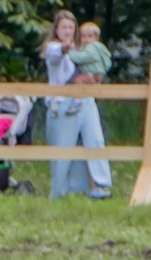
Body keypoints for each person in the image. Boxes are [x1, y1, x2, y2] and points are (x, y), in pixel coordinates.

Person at [44, 15, 115, 200]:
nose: (68, 31)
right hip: (62, 102)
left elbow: (95, 65)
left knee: (95, 140)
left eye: (71, 27)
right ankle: (59, 192)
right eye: (64, 27)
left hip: (85, 99)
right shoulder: (52, 47)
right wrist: (65, 48)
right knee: (63, 148)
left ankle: (98, 186)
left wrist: (92, 79)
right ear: (56, 29)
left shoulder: (83, 48)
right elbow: (57, 55)